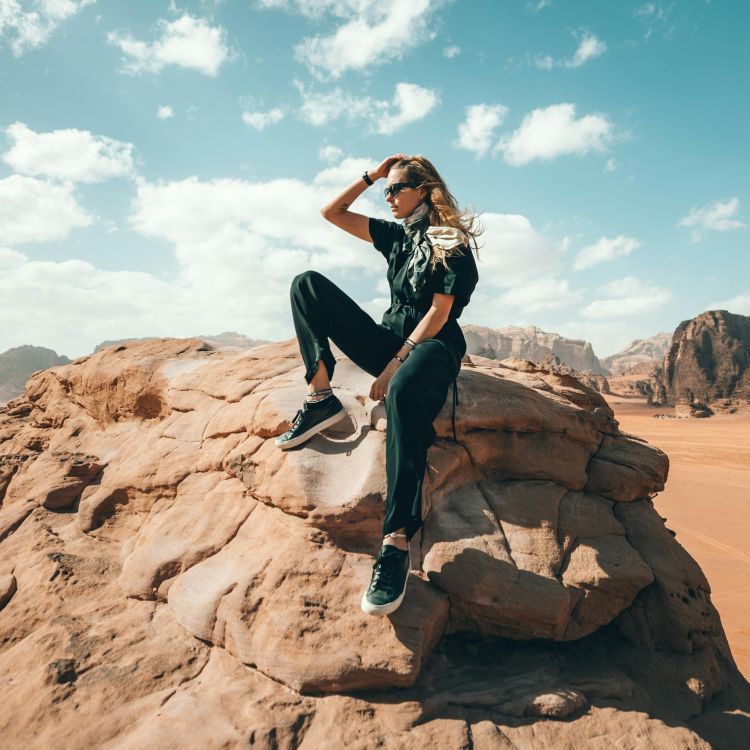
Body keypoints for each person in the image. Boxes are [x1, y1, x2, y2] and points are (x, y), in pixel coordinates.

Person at [275, 153, 481, 616]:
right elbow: (332, 213)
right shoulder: (394, 235)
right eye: (383, 191)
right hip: (389, 340)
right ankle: (321, 398)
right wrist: (372, 174)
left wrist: (392, 368)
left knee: (404, 393)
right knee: (306, 284)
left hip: (432, 347)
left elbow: (439, 313)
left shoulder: (448, 241)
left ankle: (395, 541)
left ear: (423, 192)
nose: (387, 198)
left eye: (396, 189)